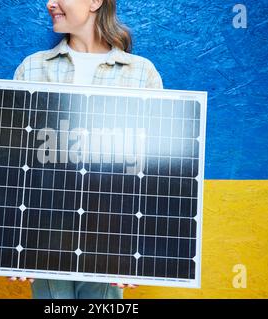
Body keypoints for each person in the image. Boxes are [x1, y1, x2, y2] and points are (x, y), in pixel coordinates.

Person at [9, 0, 163, 299]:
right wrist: (15, 242)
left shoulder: (140, 73)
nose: (49, 3)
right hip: (45, 228)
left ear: (95, 2)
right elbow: (15, 162)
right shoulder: (32, 67)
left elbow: (151, 169)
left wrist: (137, 251)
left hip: (111, 229)